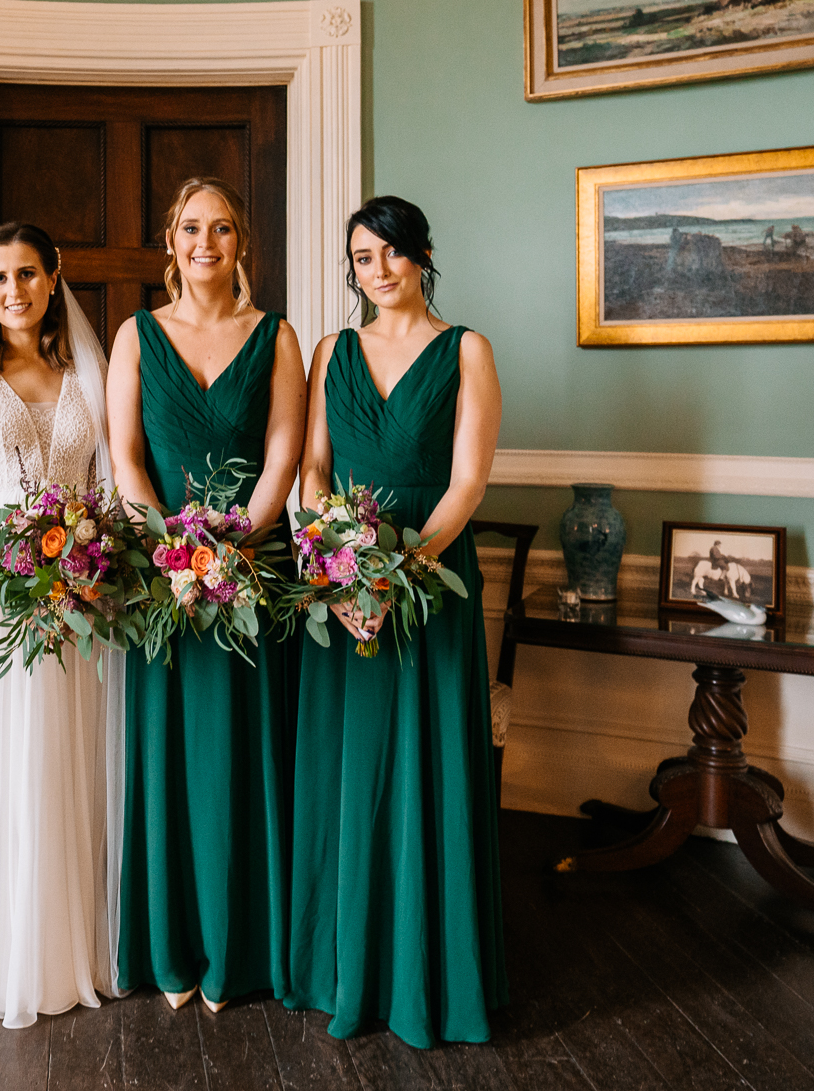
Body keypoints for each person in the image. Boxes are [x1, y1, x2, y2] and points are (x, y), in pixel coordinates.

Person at [286, 195, 508, 1047]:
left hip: (432, 581)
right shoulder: (331, 351)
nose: (375, 271)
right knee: (353, 768)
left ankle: (433, 980)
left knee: (429, 768)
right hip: (340, 585)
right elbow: (313, 465)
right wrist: (335, 560)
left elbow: (468, 485)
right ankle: (341, 969)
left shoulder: (468, 350)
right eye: (360, 258)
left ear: (421, 255)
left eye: (389, 254)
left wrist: (400, 569)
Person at [106, 179, 305, 1013]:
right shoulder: (135, 335)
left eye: (223, 228)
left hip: (254, 573)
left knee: (246, 759)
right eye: (192, 228)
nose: (206, 242)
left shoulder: (279, 337)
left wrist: (236, 544)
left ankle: (245, 950)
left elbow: (286, 451)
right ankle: (172, 951)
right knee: (173, 761)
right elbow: (125, 457)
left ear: (240, 245)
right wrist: (174, 549)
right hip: (165, 580)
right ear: (170, 241)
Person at [0, 222, 124, 1028]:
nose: (15, 291)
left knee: (61, 761)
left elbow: (109, 486)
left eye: (29, 275)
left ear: (54, 278)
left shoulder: (89, 371)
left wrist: (79, 565)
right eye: (0, 277)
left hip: (74, 603)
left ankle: (64, 949)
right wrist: (24, 568)